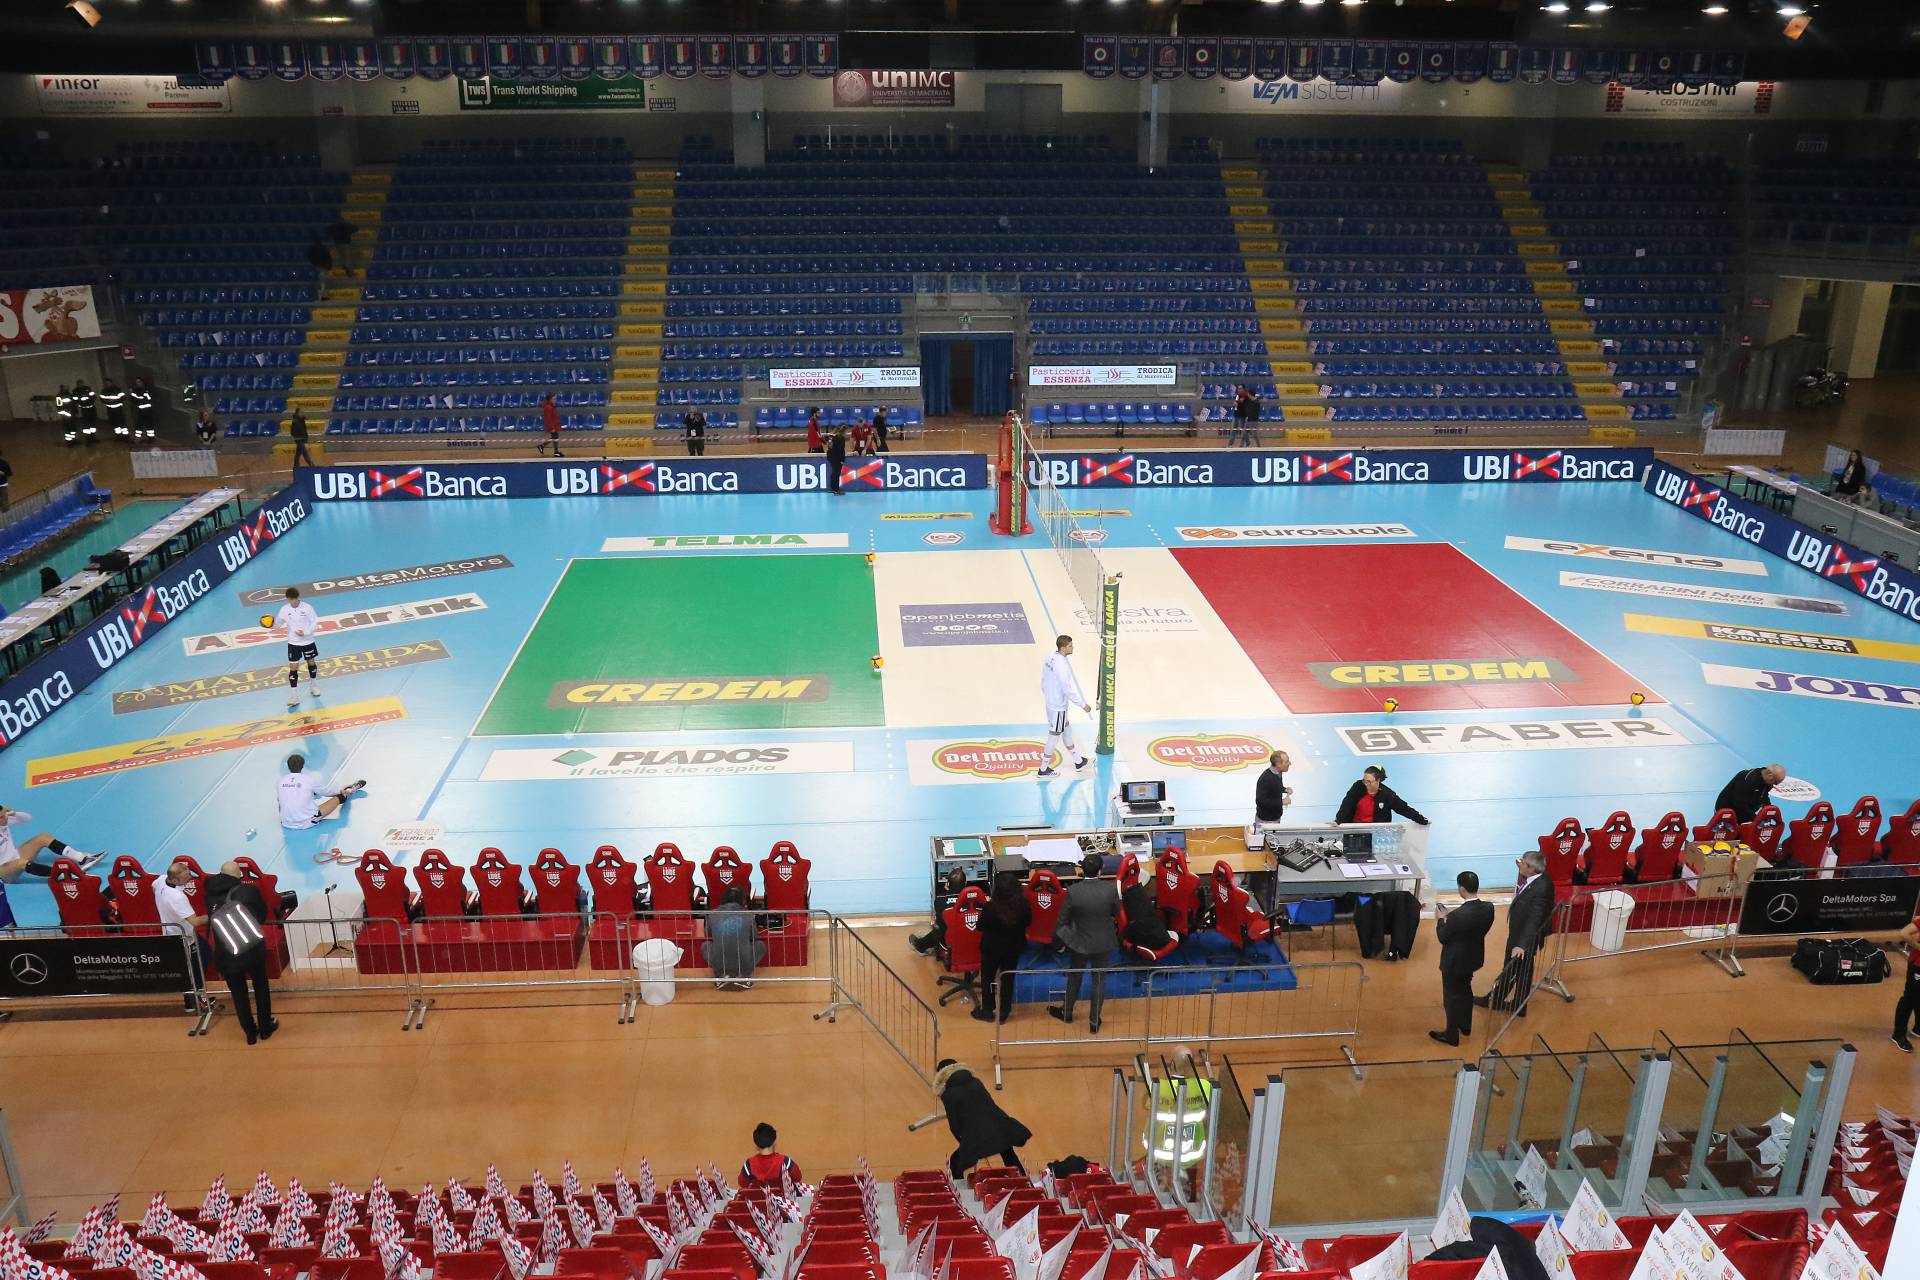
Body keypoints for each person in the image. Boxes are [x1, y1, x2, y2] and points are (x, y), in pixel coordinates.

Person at [1475, 850, 1556, 1018]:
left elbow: (1534, 918)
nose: (1520, 864)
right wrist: (1520, 865)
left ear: (1531, 868)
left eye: (1523, 863)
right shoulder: (1539, 878)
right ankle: (1518, 1004)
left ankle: (1495, 1000)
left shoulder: (1541, 888)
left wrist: (1521, 945)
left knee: (1511, 968)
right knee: (1523, 970)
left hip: (1523, 937)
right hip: (1522, 933)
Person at [204, 863, 277, 1045]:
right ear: (238, 876)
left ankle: (250, 1034)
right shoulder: (247, 891)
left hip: (226, 953)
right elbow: (262, 915)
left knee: (238, 995)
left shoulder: (210, 895)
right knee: (261, 987)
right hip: (251, 949)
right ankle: (265, 1028)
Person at [1047, 852, 1120, 1034]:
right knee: (1099, 980)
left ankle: (1067, 1012)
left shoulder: (1073, 892)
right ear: (1100, 871)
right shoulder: (1110, 890)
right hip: (1103, 941)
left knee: (1075, 976)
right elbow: (1116, 912)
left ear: (1082, 870)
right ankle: (1094, 1021)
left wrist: (1063, 940)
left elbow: (1062, 921)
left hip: (1079, 942)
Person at [933, 1058, 1031, 1178]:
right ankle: (1023, 1181)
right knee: (1008, 1153)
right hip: (999, 1126)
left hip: (976, 1135)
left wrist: (965, 1143)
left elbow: (954, 1125)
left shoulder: (948, 1094)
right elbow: (990, 1104)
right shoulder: (976, 1082)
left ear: (941, 1075)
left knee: (955, 1163)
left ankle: (959, 1188)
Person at [1430, 871, 1494, 1047]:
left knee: (1451, 997)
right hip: (1473, 958)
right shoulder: (1488, 908)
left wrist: (1441, 920)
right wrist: (1453, 916)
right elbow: (1472, 922)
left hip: (1454, 961)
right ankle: (1465, 1026)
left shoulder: (1457, 916)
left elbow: (1443, 936)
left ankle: (1451, 1035)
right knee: (1466, 990)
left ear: (1462, 889)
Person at [973, 872, 1032, 1024]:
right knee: (1008, 979)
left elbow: (980, 926)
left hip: (991, 949)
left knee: (988, 979)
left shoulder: (990, 908)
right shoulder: (1024, 906)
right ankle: (1004, 1011)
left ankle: (988, 1010)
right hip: (1013, 949)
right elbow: (1028, 923)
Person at [154, 859, 208, 1011]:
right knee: (194, 968)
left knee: (203, 956)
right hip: (183, 938)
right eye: (185, 877)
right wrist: (214, 914)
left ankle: (195, 999)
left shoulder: (161, 880)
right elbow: (195, 921)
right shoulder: (177, 897)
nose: (189, 878)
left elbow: (153, 886)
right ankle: (194, 1002)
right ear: (174, 880)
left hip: (177, 933)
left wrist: (164, 907)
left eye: (189, 874)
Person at [1037, 634, 1091, 779]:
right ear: (1063, 648)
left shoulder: (1050, 656)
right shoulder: (1062, 666)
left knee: (1067, 730)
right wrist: (1083, 705)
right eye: (1070, 646)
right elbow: (1067, 690)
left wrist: (1047, 694)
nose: (1072, 647)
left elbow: (1043, 678)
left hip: (1051, 702)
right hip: (1058, 707)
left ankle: (1078, 761)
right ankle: (1043, 769)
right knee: (1054, 737)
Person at [0, 805, 102, 878]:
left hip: (15, 856)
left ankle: (82, 858)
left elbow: (28, 818)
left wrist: (15, 813)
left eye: (4, 815)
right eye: (1, 817)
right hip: (4, 870)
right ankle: (64, 875)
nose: (5, 819)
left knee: (43, 837)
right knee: (21, 863)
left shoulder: (4, 820)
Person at [277, 754, 365, 830]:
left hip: (286, 823)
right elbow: (327, 792)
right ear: (302, 766)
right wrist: (340, 791)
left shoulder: (280, 781)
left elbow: (281, 801)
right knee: (340, 797)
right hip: (307, 822)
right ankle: (351, 789)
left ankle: (289, 817)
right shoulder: (309, 780)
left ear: (288, 766)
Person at [704, 887, 764, 990]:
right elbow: (754, 936)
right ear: (742, 901)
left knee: (705, 946)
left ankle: (721, 976)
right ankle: (744, 976)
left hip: (719, 960)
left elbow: (707, 935)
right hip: (744, 960)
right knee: (760, 945)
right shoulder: (748, 915)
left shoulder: (712, 914)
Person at [1334, 765, 1430, 826]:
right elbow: (1347, 803)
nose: (1366, 784)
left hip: (1375, 832)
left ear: (1378, 780)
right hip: (1354, 827)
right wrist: (1338, 820)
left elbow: (1403, 808)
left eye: (1369, 781)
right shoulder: (1358, 786)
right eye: (1364, 780)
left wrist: (1420, 819)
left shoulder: (1387, 794)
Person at [276, 586, 323, 709]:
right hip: (293, 643)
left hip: (308, 641)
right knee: (293, 668)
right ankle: (294, 696)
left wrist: (306, 632)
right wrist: (269, 625)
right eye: (290, 600)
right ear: (288, 599)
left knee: (311, 663)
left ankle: (314, 686)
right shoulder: (284, 610)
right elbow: (277, 624)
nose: (293, 602)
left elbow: (315, 623)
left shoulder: (307, 608)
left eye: (294, 600)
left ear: (298, 597)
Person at [908, 866, 969, 955]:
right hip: (970, 940)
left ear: (947, 884)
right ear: (965, 884)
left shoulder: (940, 900)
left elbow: (941, 922)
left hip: (948, 943)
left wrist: (946, 891)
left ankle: (921, 945)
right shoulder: (974, 899)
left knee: (940, 926)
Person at [1714, 763, 1785, 824]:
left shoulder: (1767, 780)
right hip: (1727, 809)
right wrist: (1755, 819)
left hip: (1745, 810)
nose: (1775, 784)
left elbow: (1763, 796)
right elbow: (1740, 804)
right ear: (1770, 775)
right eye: (1775, 782)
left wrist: (1770, 810)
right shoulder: (1748, 780)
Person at [738, 1123, 802, 1189]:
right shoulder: (786, 1162)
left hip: (758, 1196)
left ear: (756, 1145)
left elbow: (742, 1183)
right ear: (774, 1142)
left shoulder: (748, 1164)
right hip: (781, 1195)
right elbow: (797, 1177)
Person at [1121, 876, 1173, 953]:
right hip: (1163, 938)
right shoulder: (1147, 907)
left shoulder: (1134, 923)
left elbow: (1125, 937)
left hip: (1153, 944)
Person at [1894, 912, 1920, 1054]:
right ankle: (1898, 1035)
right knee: (1910, 998)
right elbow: (1905, 933)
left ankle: (1918, 1028)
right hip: (1918, 965)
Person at [1255, 749, 1292, 825]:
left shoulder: (1278, 772)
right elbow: (1260, 801)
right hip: (1266, 821)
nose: (1290, 763)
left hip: (1275, 817)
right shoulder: (1265, 779)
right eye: (1287, 762)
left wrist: (1284, 789)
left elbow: (1275, 787)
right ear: (1278, 765)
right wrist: (1281, 802)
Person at [823, 427, 848, 496]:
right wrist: (842, 459)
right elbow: (841, 450)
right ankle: (836, 490)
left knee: (834, 473)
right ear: (844, 431)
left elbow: (827, 442)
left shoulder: (832, 436)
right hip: (836, 458)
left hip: (830, 456)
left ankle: (833, 488)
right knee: (836, 474)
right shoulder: (841, 438)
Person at [538, 393, 564, 457]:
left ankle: (554, 450)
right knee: (555, 437)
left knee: (555, 437)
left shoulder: (551, 406)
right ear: (550, 399)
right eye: (554, 399)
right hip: (553, 426)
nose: (555, 400)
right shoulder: (548, 407)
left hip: (555, 425)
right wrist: (552, 428)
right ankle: (555, 451)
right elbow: (548, 419)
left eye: (555, 399)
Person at [0, 448, 11, 512]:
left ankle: (6, 514)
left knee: (4, 500)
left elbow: (9, 473)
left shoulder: (4, 463)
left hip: (3, 484)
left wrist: (3, 473)